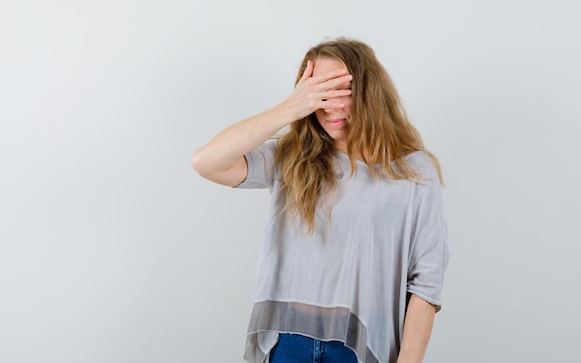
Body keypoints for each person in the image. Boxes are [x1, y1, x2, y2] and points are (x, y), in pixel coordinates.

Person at [192, 38, 449, 363]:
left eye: (342, 91)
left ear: (369, 92)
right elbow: (206, 162)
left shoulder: (411, 170)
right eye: (319, 94)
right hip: (288, 342)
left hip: (360, 346)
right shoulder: (291, 157)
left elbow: (426, 281)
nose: (331, 107)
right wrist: (289, 109)